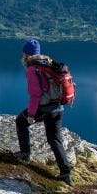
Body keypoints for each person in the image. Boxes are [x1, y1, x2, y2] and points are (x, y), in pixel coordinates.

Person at [13, 38, 71, 185]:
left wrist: (32, 115)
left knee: (21, 121)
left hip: (44, 108)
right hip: (58, 108)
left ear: (25, 54)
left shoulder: (33, 69)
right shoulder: (49, 63)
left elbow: (35, 94)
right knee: (54, 139)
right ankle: (65, 172)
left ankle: (25, 153)